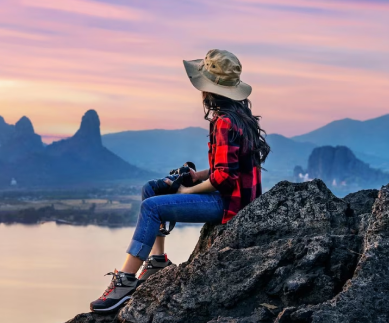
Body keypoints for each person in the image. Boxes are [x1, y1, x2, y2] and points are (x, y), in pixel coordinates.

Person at [89, 49, 271, 313]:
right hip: (235, 197)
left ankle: (125, 281)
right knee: (151, 189)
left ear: (208, 90)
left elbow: (225, 177)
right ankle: (157, 261)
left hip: (230, 204)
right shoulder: (240, 117)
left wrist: (188, 190)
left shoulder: (224, 121)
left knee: (151, 207)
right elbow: (229, 167)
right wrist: (199, 176)